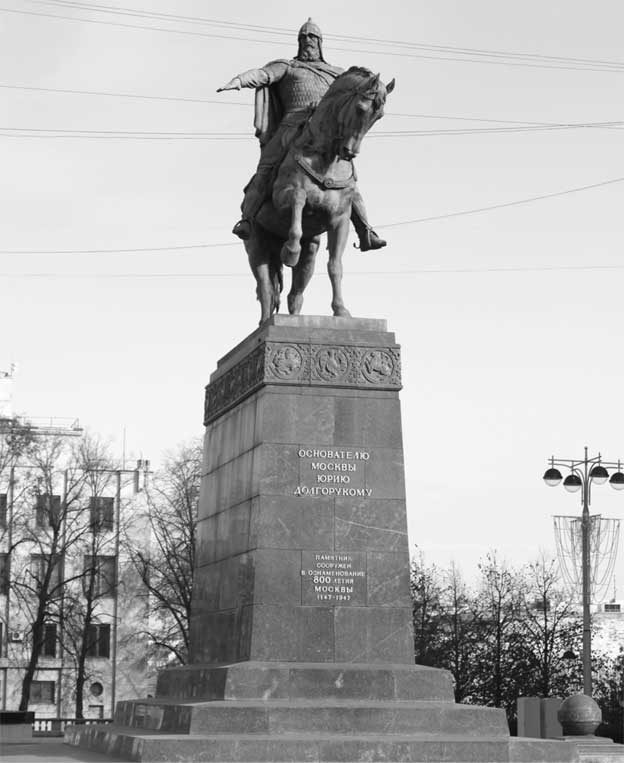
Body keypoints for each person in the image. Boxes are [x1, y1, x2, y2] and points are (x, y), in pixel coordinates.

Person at [217, 19, 386, 252]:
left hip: (326, 133)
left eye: (313, 38)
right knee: (267, 167)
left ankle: (365, 230)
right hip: (290, 126)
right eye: (304, 38)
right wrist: (239, 80)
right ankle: (247, 218)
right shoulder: (288, 66)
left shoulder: (336, 74)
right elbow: (263, 75)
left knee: (349, 179)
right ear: (299, 42)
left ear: (320, 43)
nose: (308, 41)